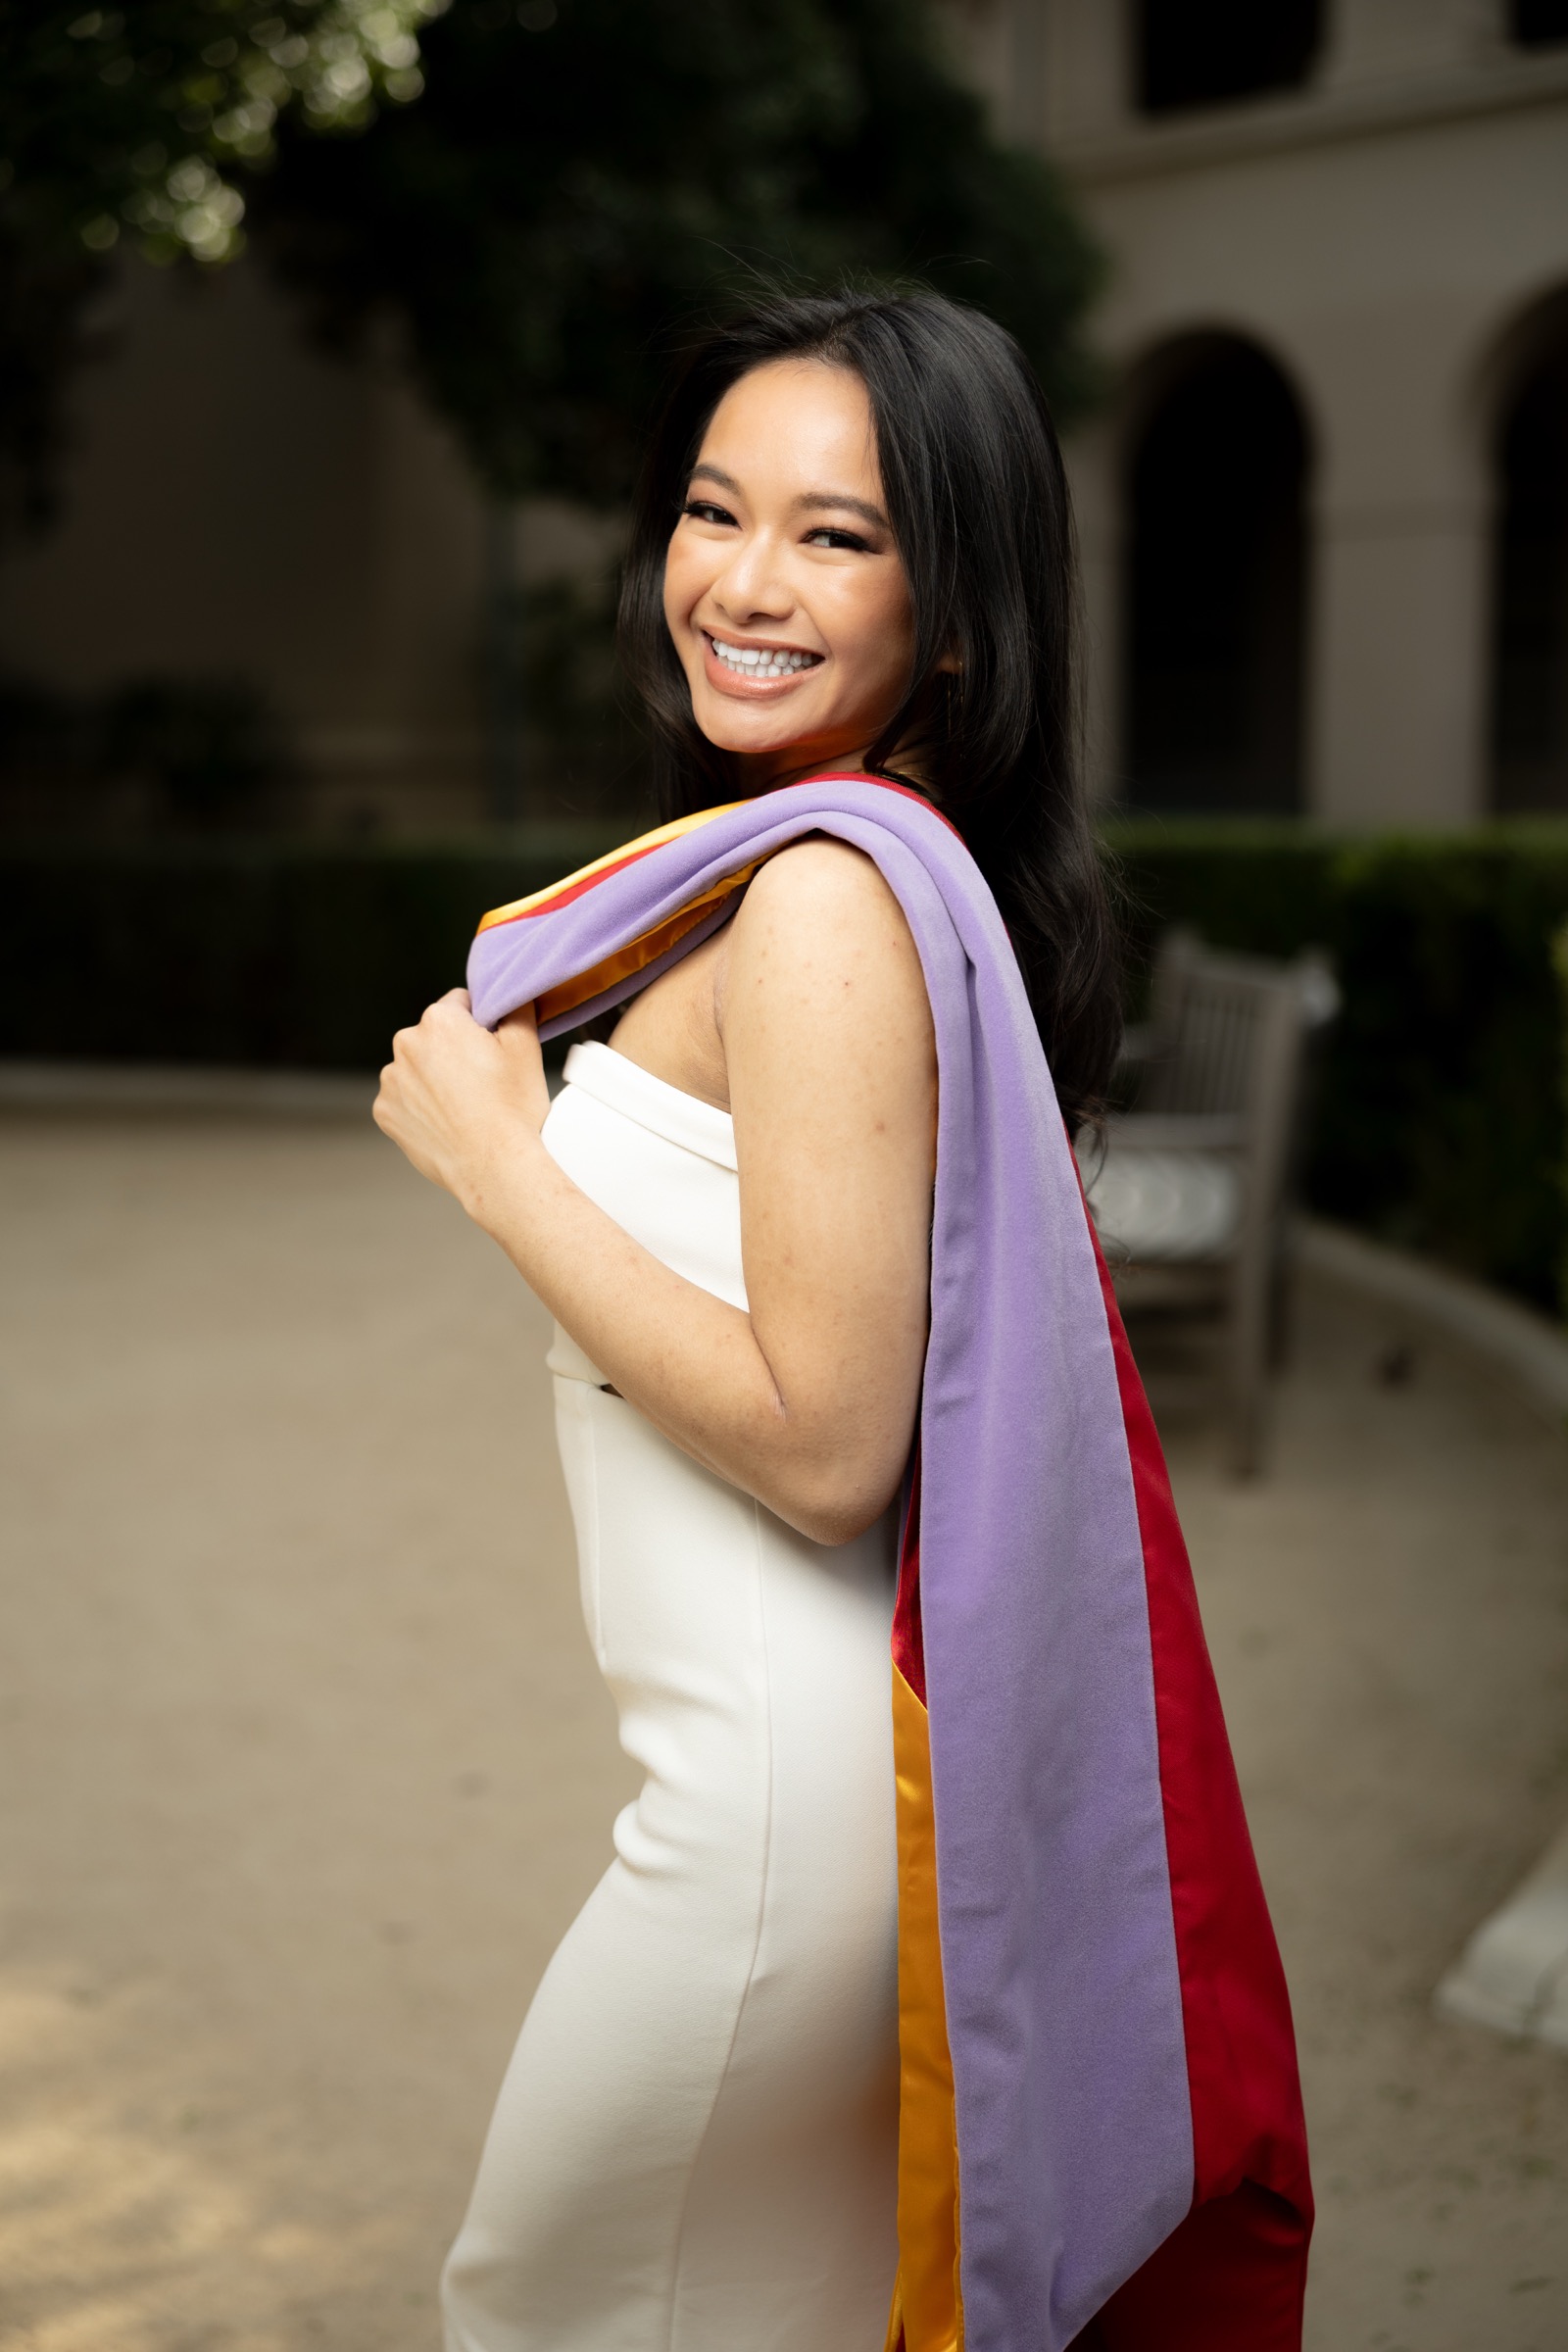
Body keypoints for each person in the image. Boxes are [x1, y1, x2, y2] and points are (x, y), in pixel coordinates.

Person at [373, 290, 1309, 2352]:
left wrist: (503, 1167)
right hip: (798, 1789)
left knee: (540, 2307)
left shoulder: (815, 899)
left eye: (834, 535)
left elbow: (824, 1445)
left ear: (956, 612)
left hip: (771, 1827)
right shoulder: (868, 861)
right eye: (716, 513)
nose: (742, 582)